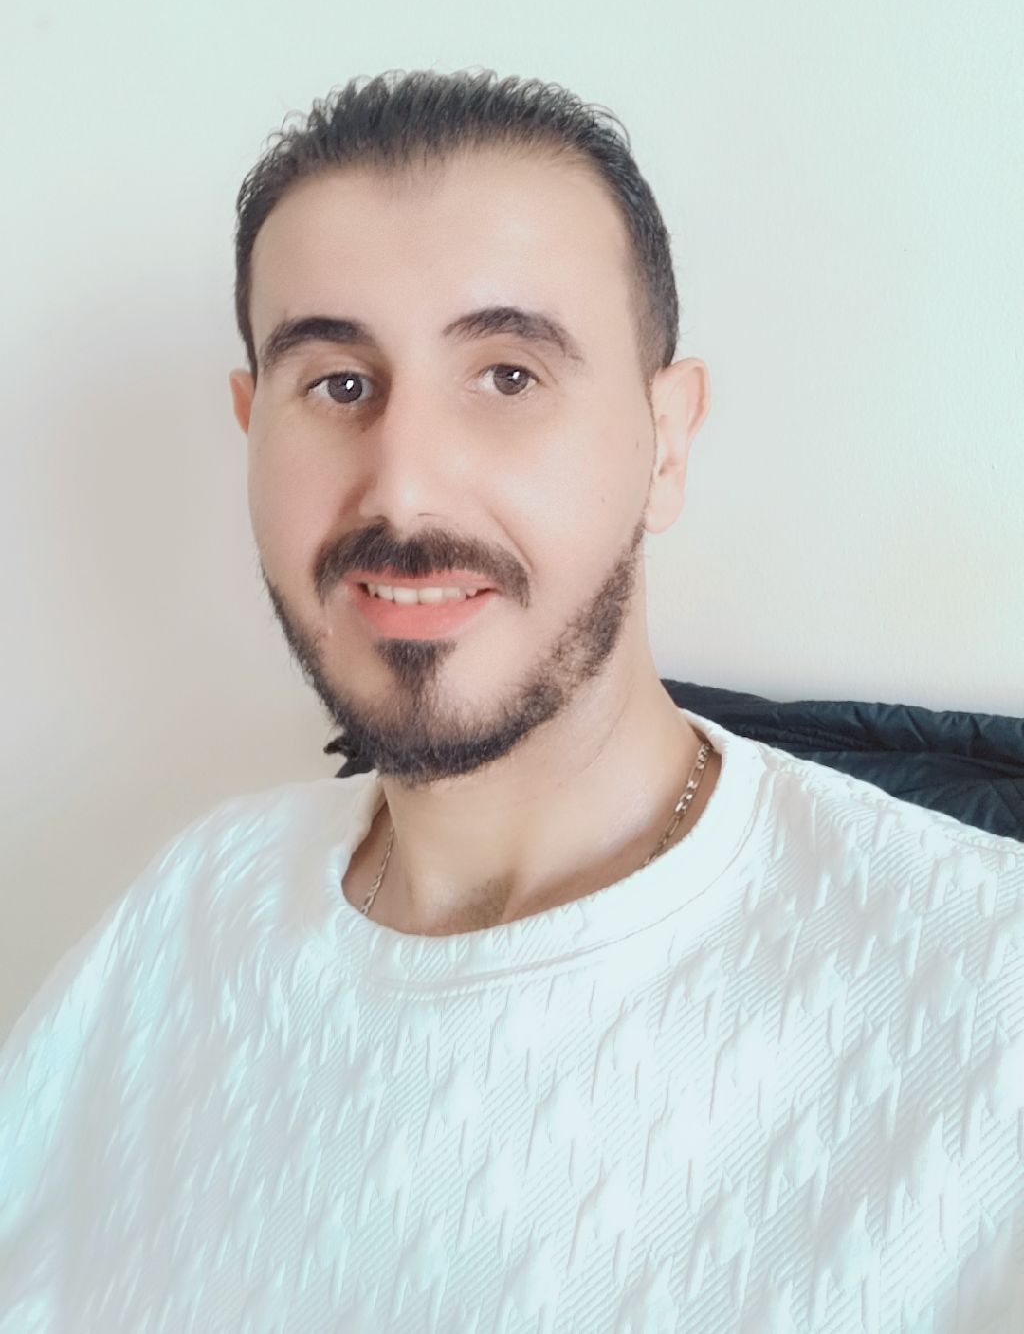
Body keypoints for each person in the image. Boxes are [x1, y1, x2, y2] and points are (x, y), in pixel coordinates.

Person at [2, 70, 1021, 1332]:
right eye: (336, 383)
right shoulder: (191, 902)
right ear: (251, 427)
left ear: (666, 440)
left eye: (506, 374)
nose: (404, 488)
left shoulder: (985, 990)